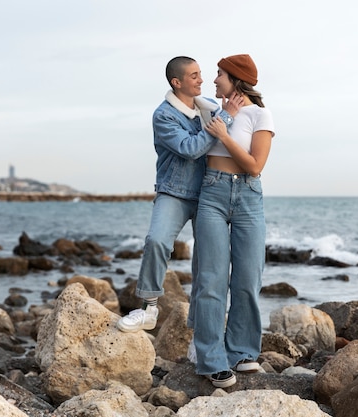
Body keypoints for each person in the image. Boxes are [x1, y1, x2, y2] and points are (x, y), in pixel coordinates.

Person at [117, 56, 241, 333]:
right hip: (174, 192)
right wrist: (224, 118)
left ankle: (200, 330)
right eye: (194, 75)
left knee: (205, 264)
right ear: (177, 82)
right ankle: (149, 307)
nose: (201, 79)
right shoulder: (164, 115)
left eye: (201, 74)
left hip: (209, 193)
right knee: (157, 241)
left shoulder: (208, 107)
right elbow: (189, 148)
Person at [191, 54, 275, 388]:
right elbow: (179, 89)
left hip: (248, 197)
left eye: (219, 74)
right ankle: (211, 360)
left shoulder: (260, 114)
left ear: (236, 79)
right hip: (211, 193)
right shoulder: (211, 110)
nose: (213, 80)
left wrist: (224, 136)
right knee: (211, 280)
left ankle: (241, 353)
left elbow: (255, 166)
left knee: (247, 278)